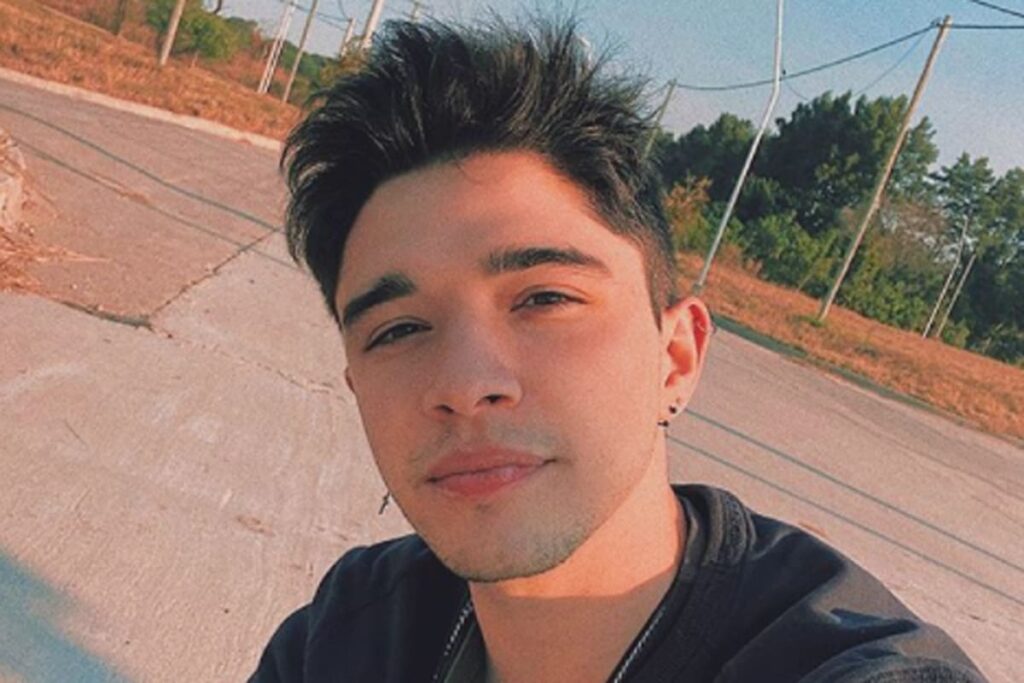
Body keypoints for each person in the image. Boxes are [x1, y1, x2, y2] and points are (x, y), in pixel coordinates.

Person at [250, 16, 985, 683]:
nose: (465, 384)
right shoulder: (348, 636)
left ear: (676, 358)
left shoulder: (841, 665)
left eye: (544, 298)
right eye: (398, 330)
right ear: (355, 386)